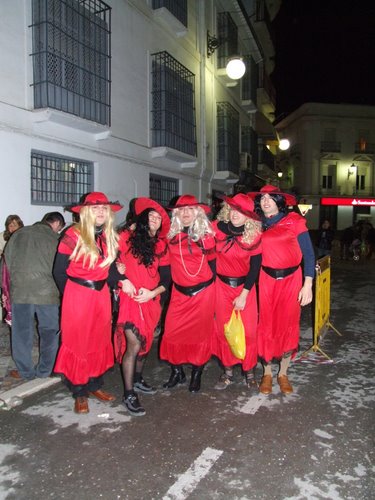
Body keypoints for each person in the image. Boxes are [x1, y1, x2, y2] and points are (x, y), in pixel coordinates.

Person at [53, 192, 123, 414]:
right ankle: (79, 392)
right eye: (95, 208)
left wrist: (120, 276)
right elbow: (58, 272)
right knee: (79, 343)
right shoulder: (73, 235)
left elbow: (110, 270)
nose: (101, 212)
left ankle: (94, 385)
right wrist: (74, 295)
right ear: (85, 212)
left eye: (104, 208)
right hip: (79, 295)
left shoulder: (109, 235)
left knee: (99, 339)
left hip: (101, 296)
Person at [248, 185, 315, 395]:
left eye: (270, 197)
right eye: (262, 198)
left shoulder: (295, 221)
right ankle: (267, 373)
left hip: (291, 280)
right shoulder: (255, 224)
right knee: (266, 325)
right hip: (266, 280)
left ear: (279, 201)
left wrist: (308, 284)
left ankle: (283, 373)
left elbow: (309, 254)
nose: (265, 201)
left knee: (288, 325)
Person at [114, 197, 170, 416]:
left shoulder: (162, 245)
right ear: (144, 219)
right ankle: (128, 393)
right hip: (130, 299)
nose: (155, 220)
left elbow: (166, 278)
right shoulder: (125, 237)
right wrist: (121, 277)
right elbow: (111, 263)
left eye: (158, 218)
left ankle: (137, 378)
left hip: (152, 301)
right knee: (134, 344)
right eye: (151, 216)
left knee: (145, 344)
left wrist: (153, 293)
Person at [160, 194, 216, 393]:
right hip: (179, 294)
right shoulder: (169, 236)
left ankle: (196, 373)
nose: (186, 213)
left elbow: (214, 265)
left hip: (203, 293)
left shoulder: (207, 237)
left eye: (190, 209)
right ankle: (177, 372)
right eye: (182, 209)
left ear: (197, 212)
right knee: (172, 332)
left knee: (199, 335)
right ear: (176, 213)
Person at [4, 212, 65, 380]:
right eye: (60, 228)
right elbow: (60, 266)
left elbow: (7, 261)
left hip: (21, 291)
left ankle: (25, 371)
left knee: (21, 332)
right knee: (49, 332)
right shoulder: (55, 239)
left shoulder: (18, 234)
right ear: (56, 224)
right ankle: (44, 370)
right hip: (47, 294)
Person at [212, 194, 262, 390]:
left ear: (248, 216)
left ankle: (249, 372)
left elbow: (255, 268)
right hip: (221, 287)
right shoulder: (216, 228)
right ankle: (228, 372)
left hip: (245, 289)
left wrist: (244, 294)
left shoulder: (255, 235)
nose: (235, 214)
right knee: (224, 330)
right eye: (233, 209)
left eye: (240, 211)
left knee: (248, 332)